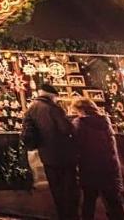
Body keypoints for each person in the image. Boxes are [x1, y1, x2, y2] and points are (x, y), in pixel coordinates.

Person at [21, 84, 79, 220]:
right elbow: (66, 129)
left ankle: (62, 214)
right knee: (69, 189)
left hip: (46, 154)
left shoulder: (31, 108)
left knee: (56, 188)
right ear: (53, 96)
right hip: (64, 154)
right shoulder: (54, 109)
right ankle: (72, 215)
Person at [71, 98, 124, 220]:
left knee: (89, 202)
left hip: (89, 167)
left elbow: (76, 146)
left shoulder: (79, 124)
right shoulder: (105, 121)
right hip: (108, 166)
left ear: (81, 110)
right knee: (114, 201)